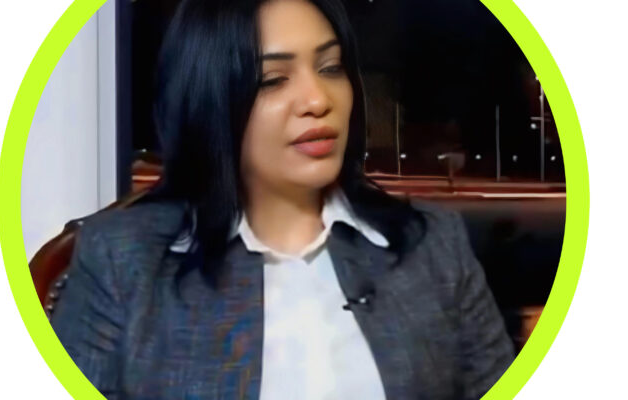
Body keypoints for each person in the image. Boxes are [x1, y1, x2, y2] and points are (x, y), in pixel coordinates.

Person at [50, 0, 515, 398]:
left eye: (330, 68)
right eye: (273, 79)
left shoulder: (433, 245)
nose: (317, 100)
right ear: (211, 96)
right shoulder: (120, 259)